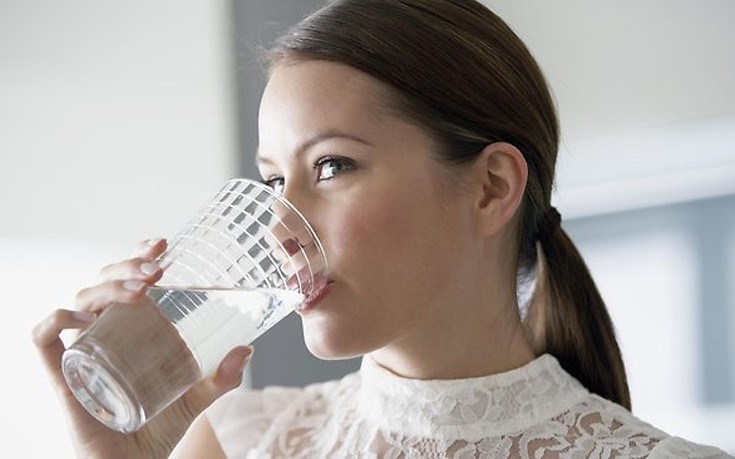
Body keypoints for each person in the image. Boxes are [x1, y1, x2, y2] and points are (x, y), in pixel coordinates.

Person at [33, 0, 731, 457]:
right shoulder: (239, 439)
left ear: (490, 188)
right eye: (273, 180)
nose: (280, 222)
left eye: (332, 165)